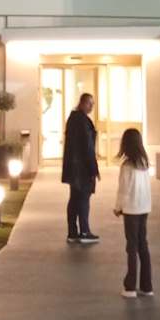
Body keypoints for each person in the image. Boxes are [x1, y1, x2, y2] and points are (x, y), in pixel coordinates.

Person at [113, 127, 154, 298]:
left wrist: (118, 207)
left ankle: (130, 287)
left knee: (131, 247)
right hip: (144, 208)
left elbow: (124, 190)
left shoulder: (127, 166)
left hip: (131, 209)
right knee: (143, 245)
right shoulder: (144, 163)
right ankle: (147, 286)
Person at [62, 91, 100, 244]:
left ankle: (72, 232)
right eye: (90, 103)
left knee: (74, 199)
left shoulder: (73, 119)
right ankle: (84, 232)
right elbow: (88, 147)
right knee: (83, 199)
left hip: (74, 168)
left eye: (93, 104)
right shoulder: (82, 121)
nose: (92, 107)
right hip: (82, 169)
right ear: (83, 103)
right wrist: (94, 169)